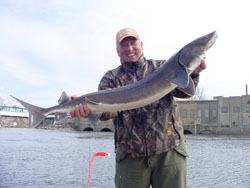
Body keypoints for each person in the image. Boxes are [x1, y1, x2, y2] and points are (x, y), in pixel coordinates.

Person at [70, 27, 206, 188]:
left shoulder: (162, 67)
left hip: (169, 151)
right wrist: (89, 110)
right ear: (117, 51)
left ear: (141, 45)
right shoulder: (111, 78)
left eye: (133, 43)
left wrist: (194, 74)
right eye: (124, 45)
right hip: (130, 156)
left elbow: (185, 93)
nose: (129, 48)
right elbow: (108, 111)